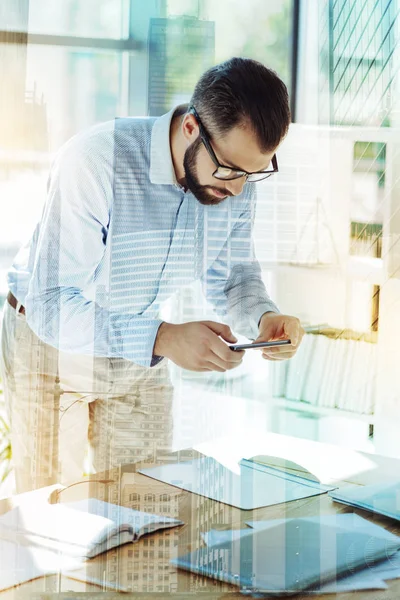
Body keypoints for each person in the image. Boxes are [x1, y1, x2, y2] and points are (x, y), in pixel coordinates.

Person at [0, 57, 304, 494]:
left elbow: (234, 276)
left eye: (254, 173)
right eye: (230, 170)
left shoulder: (237, 181)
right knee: (54, 513)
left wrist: (263, 318)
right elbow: (51, 303)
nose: (238, 188)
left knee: (145, 503)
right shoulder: (96, 160)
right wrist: (164, 337)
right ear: (190, 129)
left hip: (139, 346)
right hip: (50, 344)